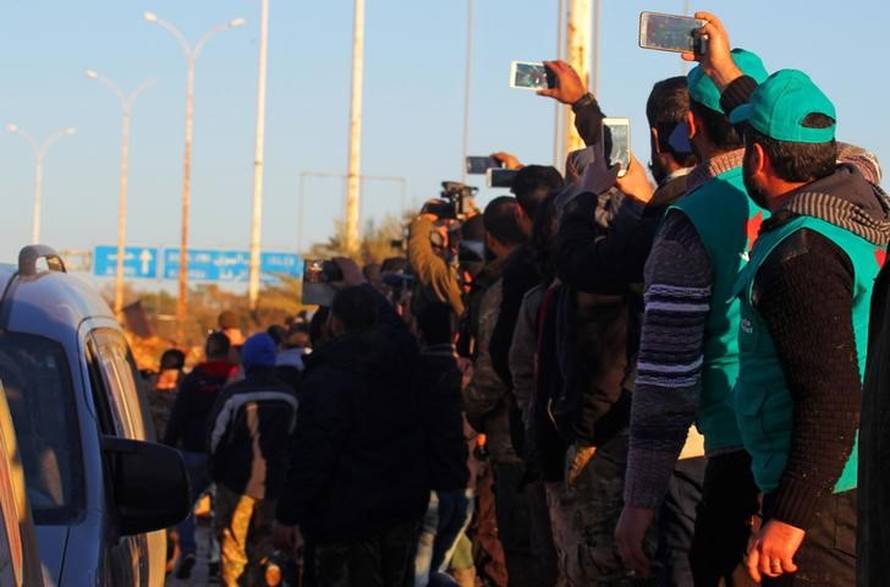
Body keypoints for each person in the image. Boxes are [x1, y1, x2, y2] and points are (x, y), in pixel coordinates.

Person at [690, 13, 890, 586]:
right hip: (845, 483)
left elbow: (830, 396)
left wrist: (789, 517)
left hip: (822, 507)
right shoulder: (855, 204)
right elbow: (777, 122)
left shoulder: (800, 257)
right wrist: (723, 70)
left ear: (756, 158)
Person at [615, 46, 770, 585]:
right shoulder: (826, 197)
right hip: (830, 465)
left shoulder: (690, 220)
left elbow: (667, 376)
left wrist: (639, 500)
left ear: (690, 125)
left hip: (732, 450)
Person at [275, 260, 428, 587]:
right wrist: (361, 286)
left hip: (342, 518)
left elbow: (313, 450)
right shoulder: (402, 360)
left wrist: (288, 513)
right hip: (399, 511)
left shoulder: (329, 375)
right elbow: (395, 329)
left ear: (334, 323)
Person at [464, 198, 544, 587]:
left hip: (514, 443)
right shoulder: (565, 269)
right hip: (561, 439)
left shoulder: (502, 288)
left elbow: (494, 371)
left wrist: (472, 409)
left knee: (521, 553)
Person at [208, 333, 299, 586]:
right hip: (273, 485)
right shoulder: (289, 397)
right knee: (263, 545)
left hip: (236, 485)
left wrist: (216, 471)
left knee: (232, 545)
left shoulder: (234, 395)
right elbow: (295, 438)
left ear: (246, 360)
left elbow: (215, 438)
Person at [163, 332, 236, 580]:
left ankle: (189, 550)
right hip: (225, 456)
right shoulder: (235, 378)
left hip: (193, 451)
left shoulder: (195, 379)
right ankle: (216, 558)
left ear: (207, 350)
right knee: (223, 509)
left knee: (186, 505)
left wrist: (168, 446)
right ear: (228, 352)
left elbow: (178, 415)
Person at [413, 302, 472, 587]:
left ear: (419, 333)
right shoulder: (467, 375)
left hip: (427, 490)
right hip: (461, 488)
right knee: (439, 576)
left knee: (419, 579)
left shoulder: (412, 375)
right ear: (457, 336)